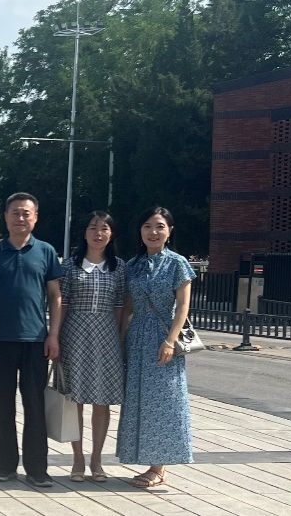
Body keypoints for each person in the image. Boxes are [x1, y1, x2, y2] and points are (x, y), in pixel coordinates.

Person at [0, 192, 63, 487]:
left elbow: (55, 296)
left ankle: (37, 468)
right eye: (15, 212)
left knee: (34, 405)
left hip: (36, 340)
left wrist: (53, 335)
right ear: (6, 217)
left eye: (26, 213)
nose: (20, 218)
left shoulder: (46, 251)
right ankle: (5, 464)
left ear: (35, 217)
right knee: (3, 404)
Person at [117, 205, 196, 489]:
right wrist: (121, 340)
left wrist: (170, 340)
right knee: (139, 400)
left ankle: (159, 467)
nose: (153, 232)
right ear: (140, 231)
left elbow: (183, 306)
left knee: (165, 400)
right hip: (137, 337)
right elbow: (128, 307)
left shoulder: (177, 263)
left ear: (169, 231)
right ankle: (146, 459)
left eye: (160, 226)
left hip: (164, 337)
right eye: (148, 226)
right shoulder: (133, 265)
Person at [58, 211, 126, 483]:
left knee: (101, 399)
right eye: (93, 228)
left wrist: (119, 340)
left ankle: (97, 459)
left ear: (112, 234)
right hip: (74, 334)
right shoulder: (69, 266)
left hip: (106, 336)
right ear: (84, 232)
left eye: (104, 229)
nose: (98, 234)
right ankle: (77, 458)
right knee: (75, 399)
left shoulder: (119, 267)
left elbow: (120, 306)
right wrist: (55, 337)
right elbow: (61, 303)